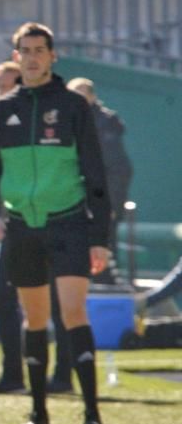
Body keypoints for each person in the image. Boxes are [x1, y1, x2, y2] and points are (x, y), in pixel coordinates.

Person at [0, 22, 111, 424]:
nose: (33, 56)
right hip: (22, 226)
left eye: (40, 49)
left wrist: (101, 238)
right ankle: (39, 414)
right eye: (26, 50)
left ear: (53, 56)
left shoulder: (74, 106)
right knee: (34, 317)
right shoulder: (4, 108)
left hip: (70, 222)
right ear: (17, 56)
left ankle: (91, 413)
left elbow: (96, 172)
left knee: (73, 312)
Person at [0, 62, 75, 396]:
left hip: (55, 223)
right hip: (15, 225)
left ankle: (62, 376)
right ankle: (13, 374)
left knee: (61, 304)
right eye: (0, 85)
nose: (6, 89)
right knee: (3, 299)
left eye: (12, 82)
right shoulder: (0, 119)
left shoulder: (50, 118)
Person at [67, 77, 133, 279]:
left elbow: (118, 169)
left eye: (83, 94)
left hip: (97, 204)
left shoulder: (105, 124)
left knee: (101, 259)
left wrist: (111, 204)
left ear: (93, 97)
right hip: (69, 203)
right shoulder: (64, 121)